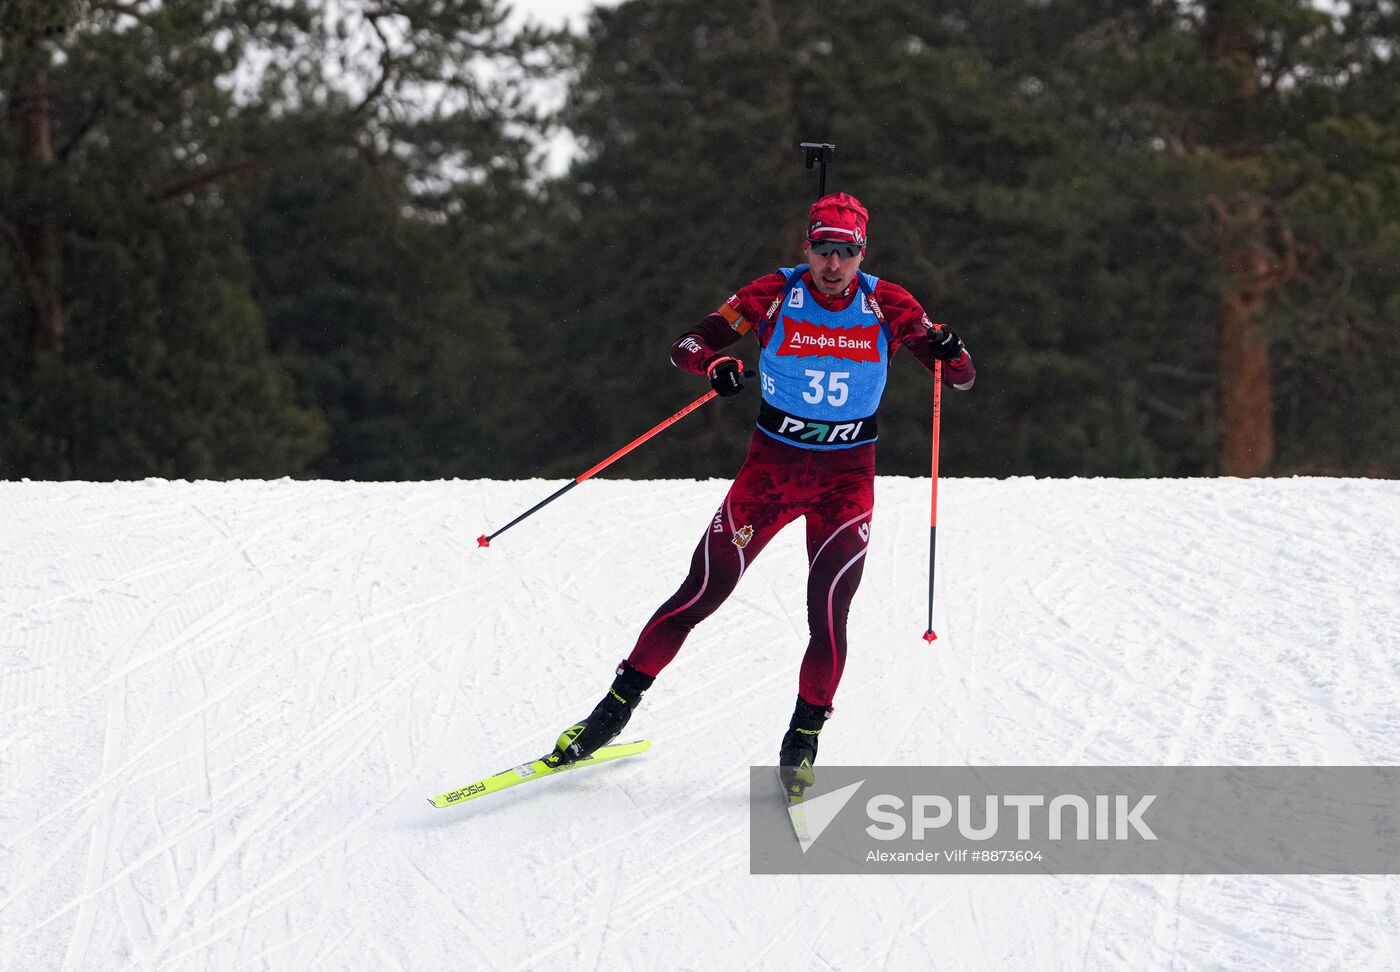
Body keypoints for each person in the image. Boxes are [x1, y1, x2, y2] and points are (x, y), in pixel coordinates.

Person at [545, 192, 975, 793]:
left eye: (845, 253)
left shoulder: (889, 302)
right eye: (823, 250)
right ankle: (607, 716)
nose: (832, 265)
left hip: (845, 481)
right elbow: (688, 347)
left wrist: (952, 351)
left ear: (861, 253)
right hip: (770, 475)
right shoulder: (774, 293)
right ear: (807, 247)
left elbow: (957, 377)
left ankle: (802, 743)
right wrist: (714, 368)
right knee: (700, 592)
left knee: (828, 615)